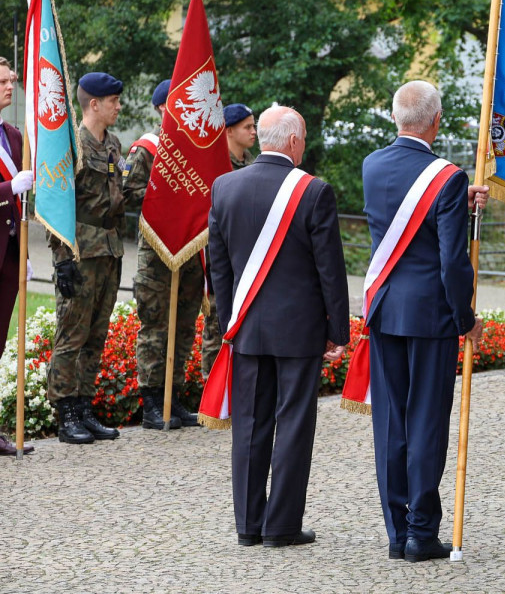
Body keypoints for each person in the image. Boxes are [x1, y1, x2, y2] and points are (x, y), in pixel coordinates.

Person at [207, 105, 349, 547]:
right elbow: (330, 270)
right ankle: (281, 525)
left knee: (249, 425)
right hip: (299, 331)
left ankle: (249, 525)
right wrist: (338, 331)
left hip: (246, 327)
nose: (303, 145)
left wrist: (230, 323)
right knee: (293, 425)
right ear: (291, 141)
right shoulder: (314, 191)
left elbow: (218, 267)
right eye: (302, 138)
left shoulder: (224, 186)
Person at [362, 81, 485, 562]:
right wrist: (465, 318)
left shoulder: (372, 165)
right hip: (432, 316)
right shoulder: (448, 177)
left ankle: (397, 533)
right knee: (427, 423)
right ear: (436, 121)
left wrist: (457, 198)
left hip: (386, 308)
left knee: (391, 423)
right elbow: (452, 262)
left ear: (396, 118)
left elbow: (405, 213)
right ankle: (421, 533)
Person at [46, 72, 126, 445]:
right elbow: (56, 202)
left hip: (109, 250)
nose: (118, 107)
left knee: (96, 334)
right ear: (93, 104)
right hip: (80, 252)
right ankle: (65, 414)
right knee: (72, 334)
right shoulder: (71, 146)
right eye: (113, 101)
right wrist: (61, 259)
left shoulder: (114, 145)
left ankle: (84, 407)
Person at [123, 79, 203, 430]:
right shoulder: (147, 148)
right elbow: (129, 192)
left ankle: (174, 395)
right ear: (161, 108)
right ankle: (153, 402)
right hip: (157, 253)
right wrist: (167, 196)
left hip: (190, 251)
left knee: (184, 327)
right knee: (156, 326)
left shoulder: (196, 150)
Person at [200, 103, 257, 378]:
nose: (254, 132)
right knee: (216, 329)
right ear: (229, 131)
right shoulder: (214, 166)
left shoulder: (253, 165)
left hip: (248, 259)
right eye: (247, 127)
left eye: (254, 126)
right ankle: (213, 387)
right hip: (219, 260)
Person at [0, 58, 34, 456]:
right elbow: (11, 190)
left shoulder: (12, 134)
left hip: (8, 254)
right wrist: (10, 186)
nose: (11, 86)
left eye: (11, 80)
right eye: (3, 82)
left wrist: (23, 252)